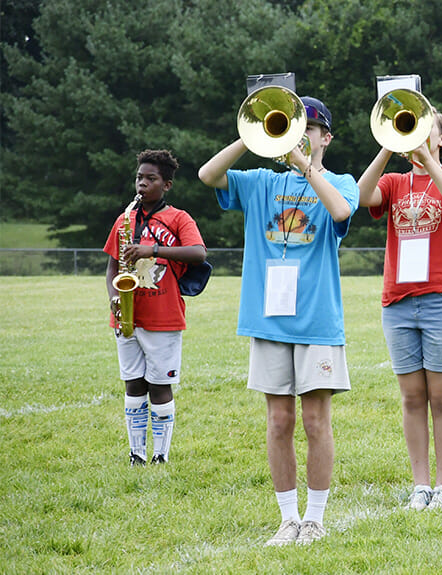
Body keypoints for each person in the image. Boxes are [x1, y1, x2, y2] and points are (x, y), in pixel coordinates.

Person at [198, 95, 357, 545]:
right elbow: (208, 175)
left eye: (309, 127)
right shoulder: (261, 181)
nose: (301, 133)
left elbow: (342, 212)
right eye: (294, 125)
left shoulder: (340, 181)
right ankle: (288, 518)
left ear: (325, 136)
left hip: (317, 321)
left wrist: (305, 165)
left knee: (315, 422)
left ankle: (316, 518)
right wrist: (253, 136)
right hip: (268, 319)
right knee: (279, 421)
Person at [358, 111, 442, 509]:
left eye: (429, 134)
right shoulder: (394, 182)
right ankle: (420, 484)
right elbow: (360, 197)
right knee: (411, 398)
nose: (419, 140)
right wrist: (386, 150)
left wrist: (431, 166)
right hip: (399, 302)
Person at [104, 149, 207, 467]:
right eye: (139, 178)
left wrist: (154, 249)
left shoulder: (179, 218)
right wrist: (114, 298)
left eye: (151, 178)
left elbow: (198, 253)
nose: (142, 184)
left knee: (160, 385)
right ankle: (136, 453)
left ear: (167, 185)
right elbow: (111, 267)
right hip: (129, 316)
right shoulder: (125, 219)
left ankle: (160, 455)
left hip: (164, 316)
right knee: (133, 383)